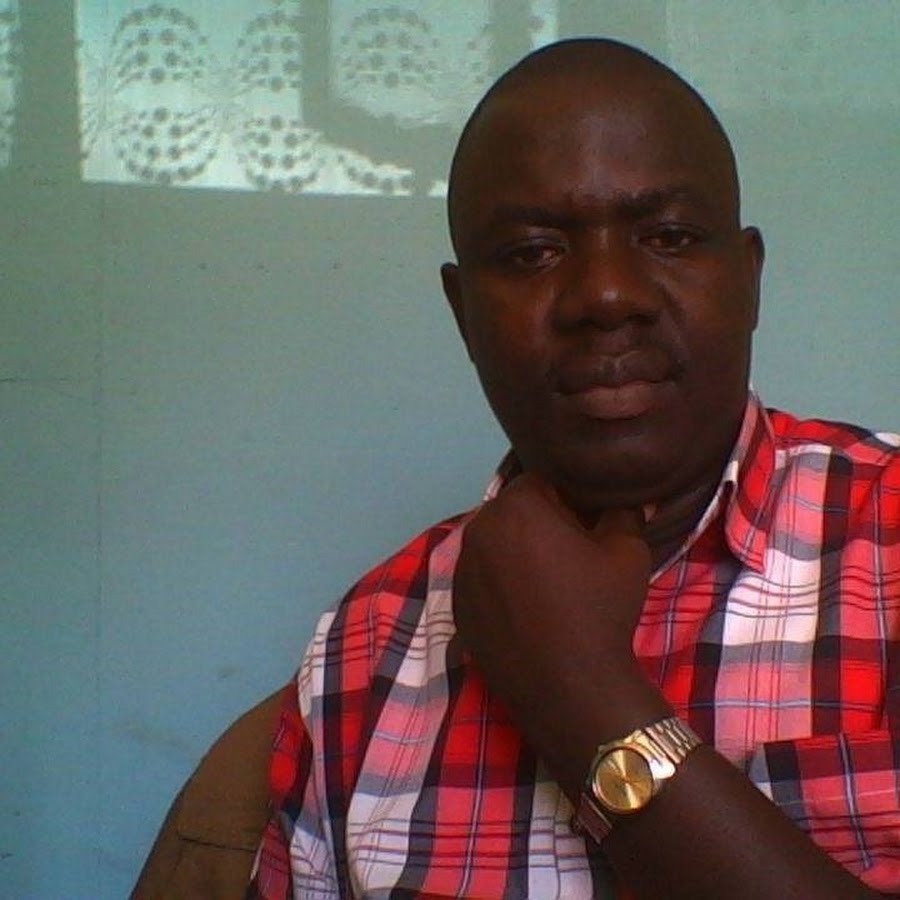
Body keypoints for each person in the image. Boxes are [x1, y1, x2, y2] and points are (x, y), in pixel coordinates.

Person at [247, 38, 899, 899]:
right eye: (532, 252)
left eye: (668, 236)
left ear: (748, 280)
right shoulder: (362, 648)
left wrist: (582, 693)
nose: (606, 296)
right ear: (463, 314)